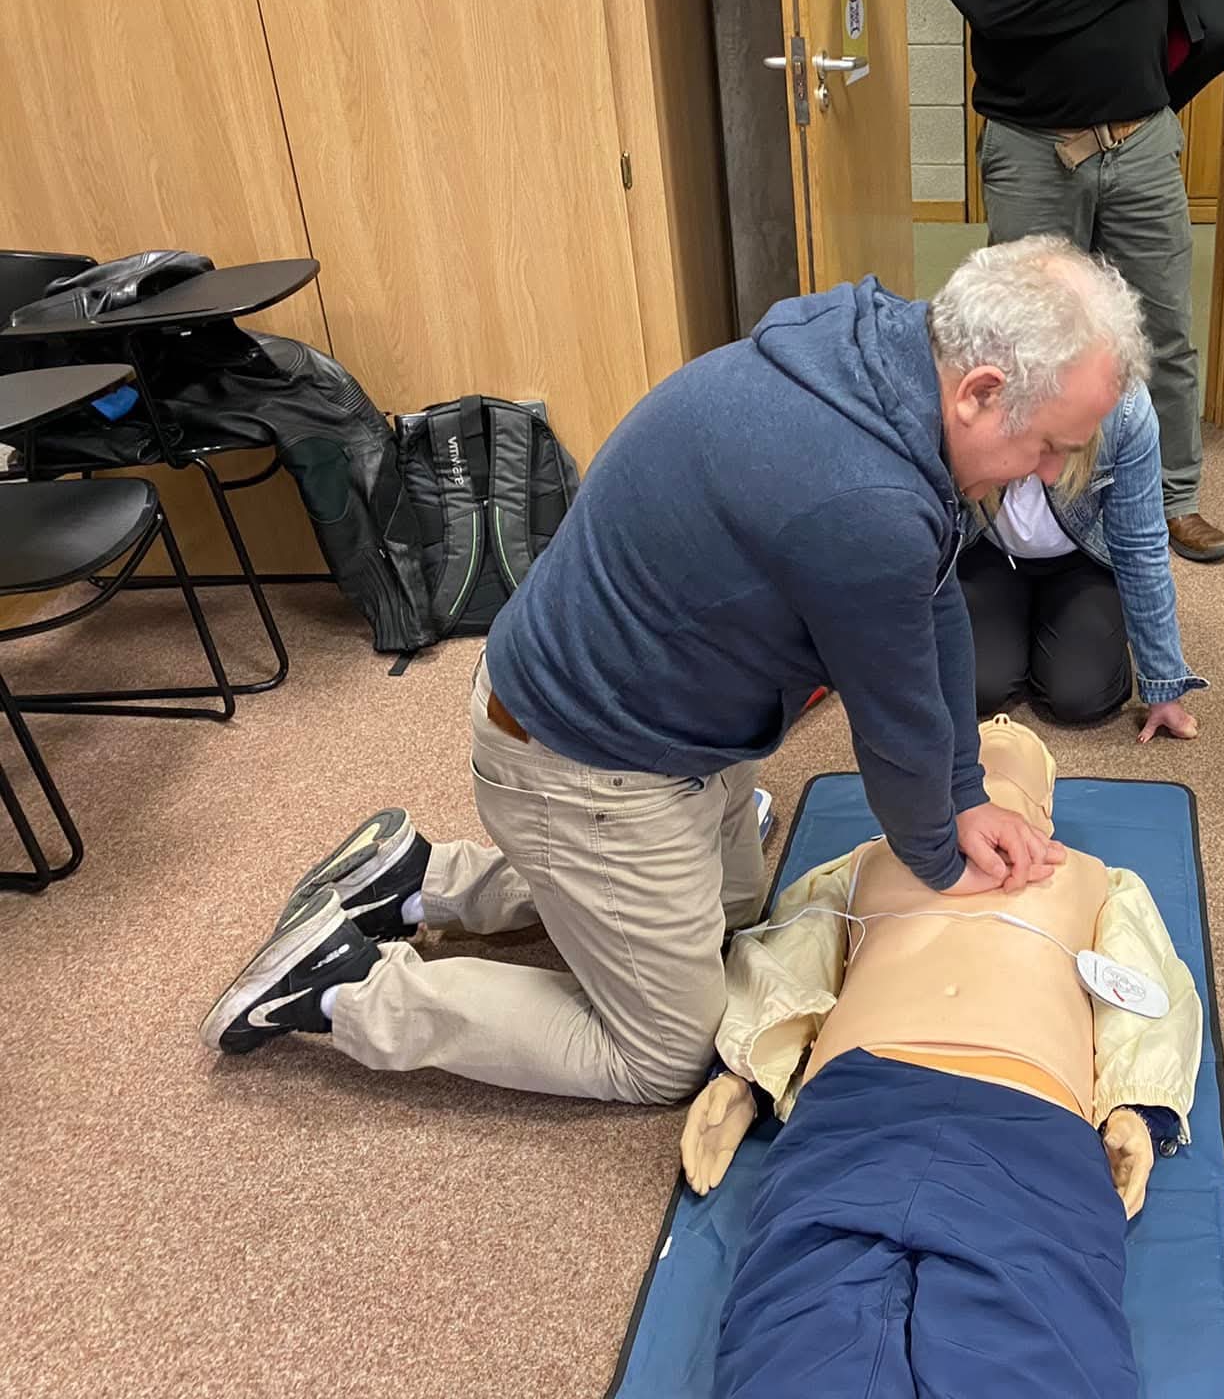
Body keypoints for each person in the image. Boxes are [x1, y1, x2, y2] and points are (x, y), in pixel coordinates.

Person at [201, 237, 1150, 1106]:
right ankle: (342, 986)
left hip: (669, 723)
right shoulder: (863, 499)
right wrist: (941, 854)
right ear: (979, 389)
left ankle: (417, 880)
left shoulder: (884, 350)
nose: (1047, 475)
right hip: (585, 760)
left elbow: (934, 598)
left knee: (734, 917)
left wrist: (967, 791)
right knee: (667, 1052)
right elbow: (894, 721)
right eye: (1049, 446)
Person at [682, 716, 1200, 1399]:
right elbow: (790, 957)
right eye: (977, 761)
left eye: (1014, 768)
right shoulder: (866, 861)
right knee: (794, 1343)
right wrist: (744, 1073)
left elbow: (1149, 986)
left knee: (1035, 1351)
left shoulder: (1098, 880)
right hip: (853, 1109)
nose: (995, 752)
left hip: (1028, 1128)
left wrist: (1140, 1108)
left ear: (1045, 809)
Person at [918, 0, 1224, 564]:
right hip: (1029, 146)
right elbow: (996, 5)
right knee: (1018, 341)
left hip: (1141, 138)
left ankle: (1173, 497)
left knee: (1162, 332)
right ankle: (1027, 506)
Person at [961, 367, 1205, 739]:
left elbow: (1140, 545)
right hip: (991, 550)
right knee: (978, 686)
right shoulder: (968, 391)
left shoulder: (1123, 405)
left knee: (1080, 696)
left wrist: (1163, 685)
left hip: (1083, 559)